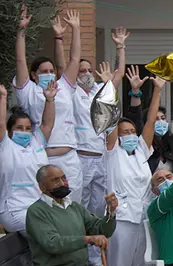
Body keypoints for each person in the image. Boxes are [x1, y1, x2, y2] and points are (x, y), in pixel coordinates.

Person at [103, 73, 164, 266]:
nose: (128, 135)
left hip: (144, 219)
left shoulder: (141, 151)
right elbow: (112, 121)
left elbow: (150, 121)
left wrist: (158, 89)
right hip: (121, 220)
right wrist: (112, 87)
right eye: (124, 132)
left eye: (131, 132)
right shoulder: (112, 151)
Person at [15, 8, 83, 202]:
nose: (49, 74)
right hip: (41, 157)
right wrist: (22, 31)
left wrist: (76, 29)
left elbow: (74, 59)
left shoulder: (63, 86)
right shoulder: (28, 91)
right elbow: (20, 60)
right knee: (44, 205)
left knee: (72, 206)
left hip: (68, 157)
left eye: (51, 70)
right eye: (44, 71)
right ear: (34, 75)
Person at [72, 29, 127, 217]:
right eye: (82, 71)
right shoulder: (70, 92)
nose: (86, 73)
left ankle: (96, 246)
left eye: (89, 70)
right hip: (80, 157)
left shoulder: (98, 89)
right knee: (80, 204)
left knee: (98, 206)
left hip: (101, 157)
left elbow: (119, 74)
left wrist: (120, 46)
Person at [0, 83, 55, 235]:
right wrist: (3, 97)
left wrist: (50, 100)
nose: (24, 132)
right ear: (10, 131)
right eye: (19, 128)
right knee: (46, 234)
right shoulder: (6, 146)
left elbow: (48, 124)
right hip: (15, 209)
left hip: (40, 207)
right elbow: (0, 123)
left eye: (28, 128)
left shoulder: (37, 142)